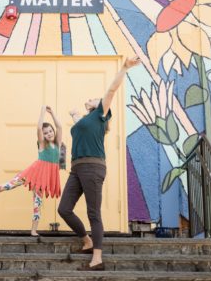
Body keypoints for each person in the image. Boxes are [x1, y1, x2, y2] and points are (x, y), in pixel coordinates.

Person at [59, 57, 139, 271]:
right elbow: (79, 128)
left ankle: (97, 259)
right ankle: (87, 240)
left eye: (96, 98)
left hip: (93, 167)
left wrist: (124, 67)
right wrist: (76, 115)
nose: (93, 98)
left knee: (93, 213)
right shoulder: (87, 120)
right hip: (77, 168)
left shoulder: (100, 115)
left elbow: (112, 89)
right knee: (64, 209)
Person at [0, 105, 62, 237]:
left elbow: (59, 127)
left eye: (50, 131)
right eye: (46, 132)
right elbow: (38, 128)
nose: (49, 133)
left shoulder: (57, 144)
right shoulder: (43, 144)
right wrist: (43, 112)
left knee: (38, 203)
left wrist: (52, 113)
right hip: (33, 173)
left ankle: (33, 230)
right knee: (9, 185)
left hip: (42, 179)